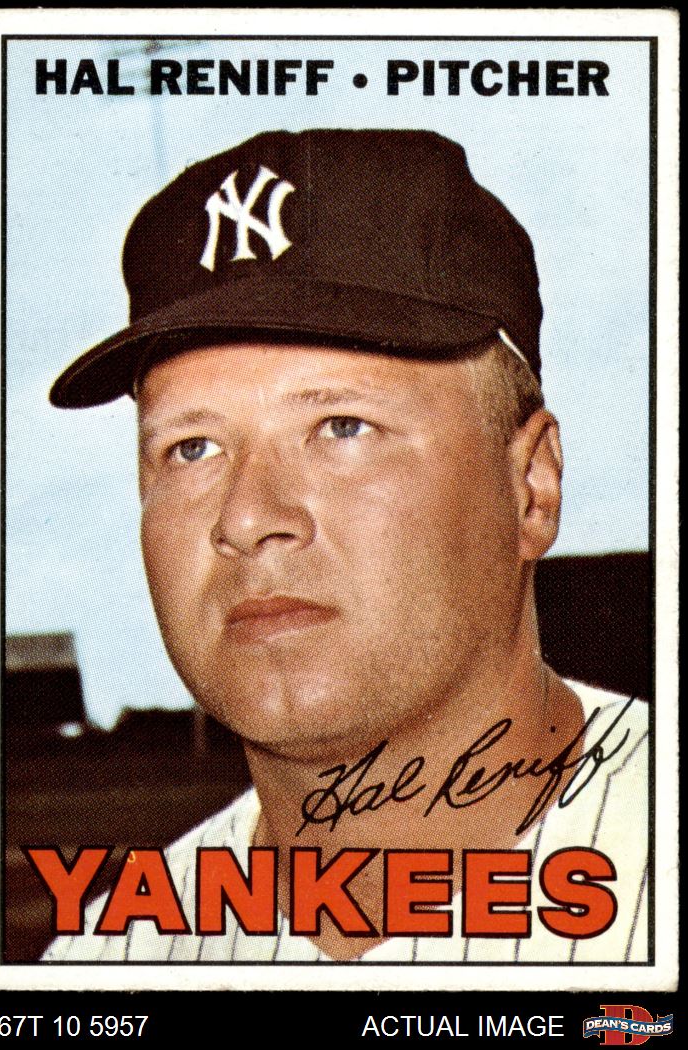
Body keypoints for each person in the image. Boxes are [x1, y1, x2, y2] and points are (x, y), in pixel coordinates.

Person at [41, 129, 648, 964]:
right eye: (192, 447)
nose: (247, 517)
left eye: (342, 427)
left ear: (530, 488)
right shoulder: (107, 960)